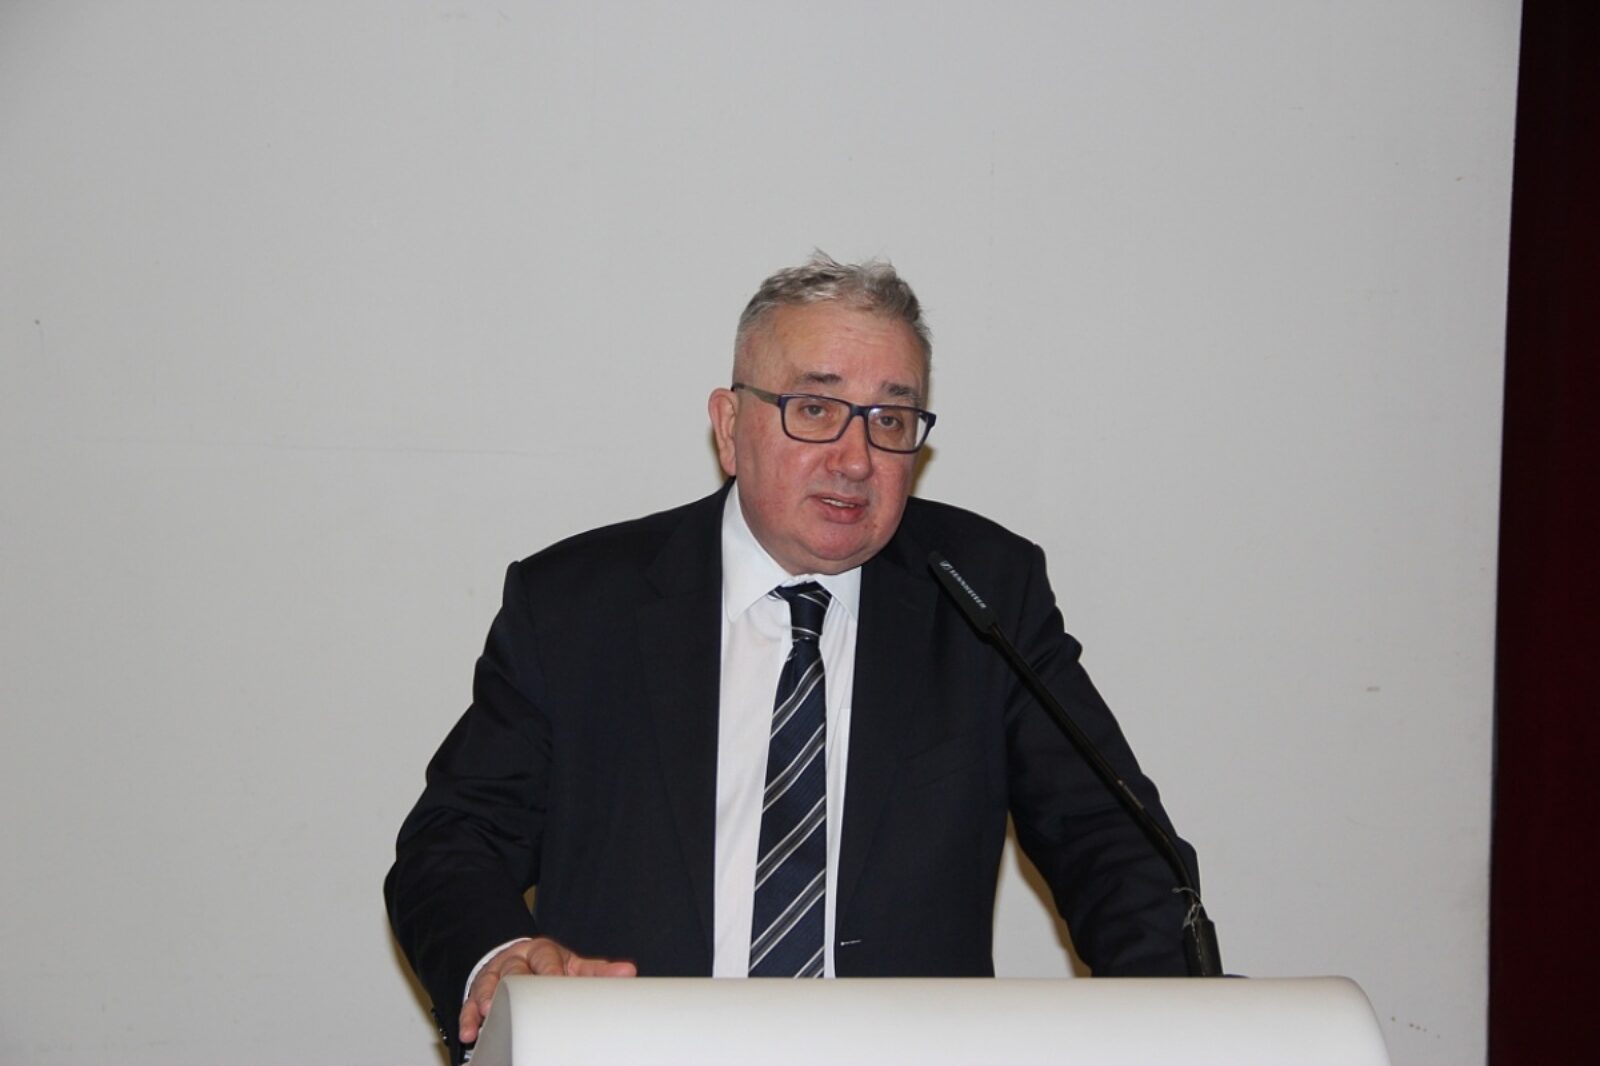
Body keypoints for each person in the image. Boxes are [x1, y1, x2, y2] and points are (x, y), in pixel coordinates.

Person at [385, 253, 1200, 1062]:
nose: (856, 459)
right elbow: (453, 844)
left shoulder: (982, 594)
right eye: (815, 409)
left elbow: (1115, 846)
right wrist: (501, 961)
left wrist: (1181, 1031)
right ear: (729, 427)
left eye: (890, 421)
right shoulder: (578, 605)